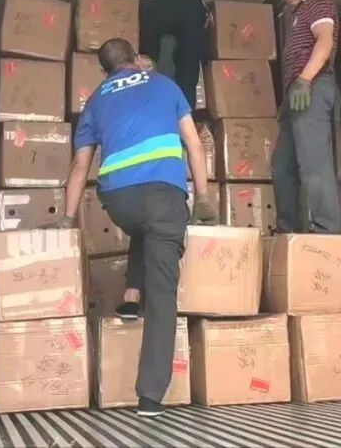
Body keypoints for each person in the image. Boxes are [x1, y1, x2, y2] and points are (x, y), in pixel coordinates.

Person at [56, 38, 218, 417]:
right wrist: (203, 197)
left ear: (105, 70)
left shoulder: (95, 100)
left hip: (119, 202)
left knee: (147, 226)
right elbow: (193, 144)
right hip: (163, 195)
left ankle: (130, 296)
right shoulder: (164, 84)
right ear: (136, 59)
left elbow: (80, 166)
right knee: (162, 291)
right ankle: (150, 395)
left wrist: (66, 217)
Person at [272, 0, 341, 234]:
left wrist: (304, 79)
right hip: (296, 93)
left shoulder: (318, 2)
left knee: (314, 162)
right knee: (282, 166)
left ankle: (328, 230)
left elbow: (324, 39)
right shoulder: (296, 14)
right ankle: (288, 232)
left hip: (312, 86)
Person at [140, 0, 211, 110]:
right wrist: (204, 61)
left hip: (161, 6)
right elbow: (200, 52)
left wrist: (151, 58)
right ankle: (185, 108)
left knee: (149, 57)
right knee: (189, 65)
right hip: (191, 8)